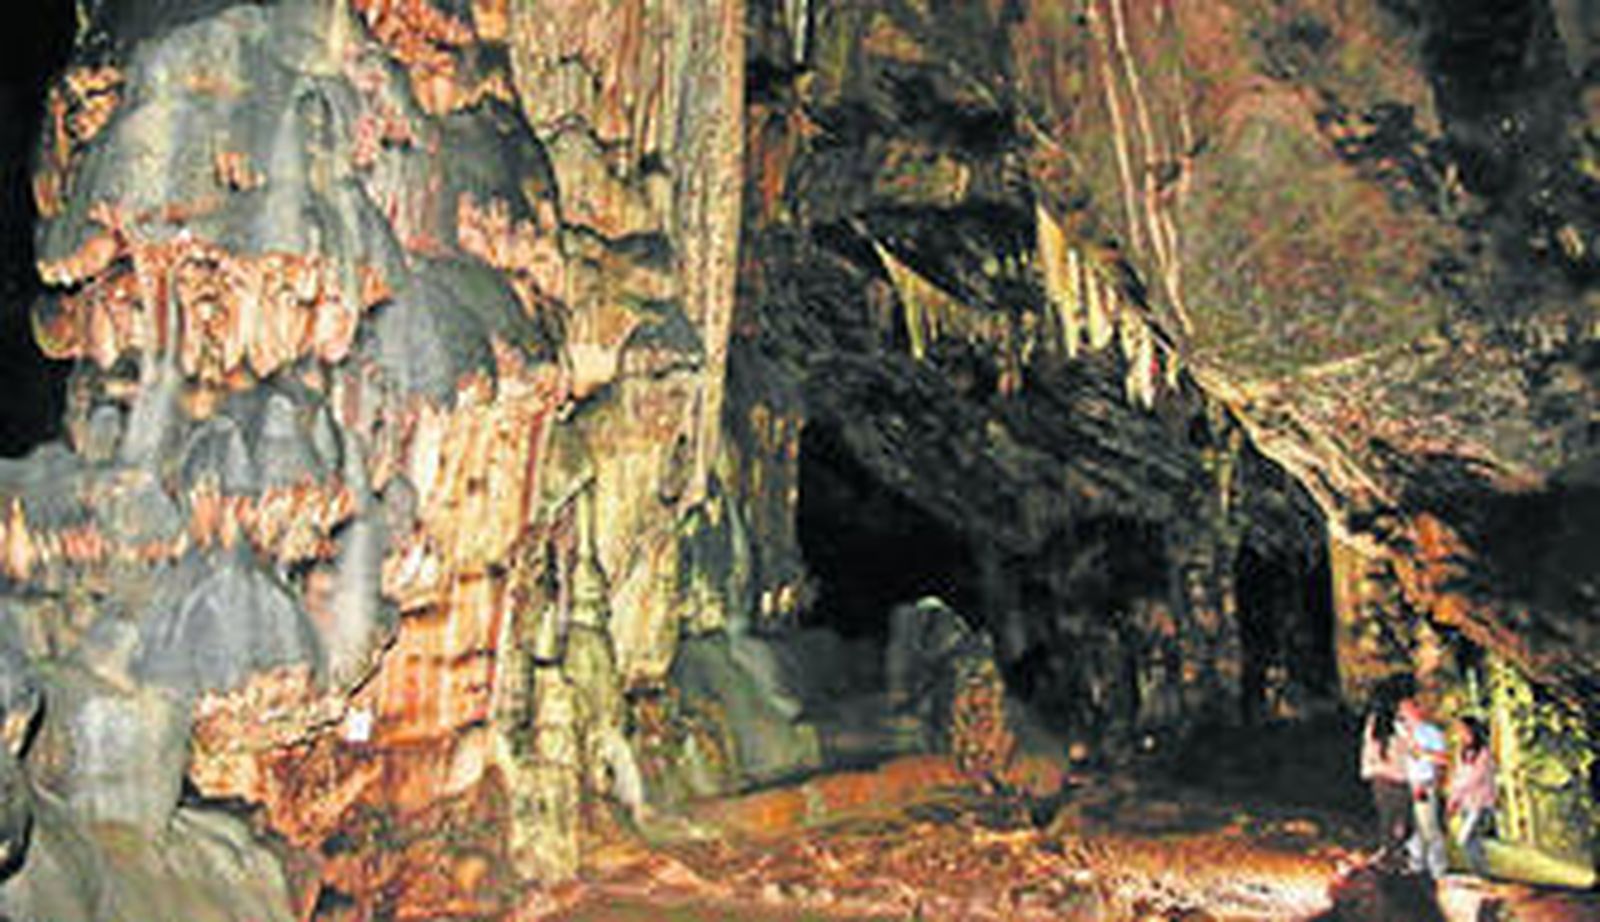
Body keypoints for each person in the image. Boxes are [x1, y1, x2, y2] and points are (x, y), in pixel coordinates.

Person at [1359, 676, 1415, 862]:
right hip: (1396, 774)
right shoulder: (1397, 720)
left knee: (1390, 818)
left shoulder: (1381, 720)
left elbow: (1369, 747)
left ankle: (1392, 851)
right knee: (1398, 818)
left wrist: (1369, 769)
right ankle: (1394, 852)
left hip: (1386, 774)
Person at [1400, 695, 1450, 877]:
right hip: (1412, 784)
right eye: (1401, 710)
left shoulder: (1430, 732)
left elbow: (1444, 759)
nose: (1402, 713)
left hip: (1425, 784)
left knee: (1429, 827)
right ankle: (1417, 864)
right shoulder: (1406, 733)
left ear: (1417, 710)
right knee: (1418, 827)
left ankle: (1439, 868)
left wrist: (1424, 753)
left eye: (1406, 709)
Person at [1446, 716, 1496, 877]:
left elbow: (1475, 778)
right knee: (1473, 840)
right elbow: (1458, 776)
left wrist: (1458, 791)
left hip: (1480, 803)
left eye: (1463, 730)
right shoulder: (1461, 752)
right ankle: (1482, 872)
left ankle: (1482, 872)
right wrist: (1454, 799)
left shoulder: (1484, 753)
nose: (1460, 734)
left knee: (1465, 838)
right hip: (1466, 804)